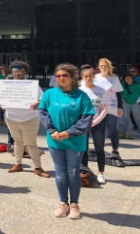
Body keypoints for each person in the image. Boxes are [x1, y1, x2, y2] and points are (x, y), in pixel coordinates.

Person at [39, 63, 94, 220]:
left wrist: (68, 133)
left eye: (65, 75)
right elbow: (43, 112)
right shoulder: (49, 94)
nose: (61, 78)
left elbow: (86, 119)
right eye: (58, 76)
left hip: (75, 141)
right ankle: (63, 203)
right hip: (55, 140)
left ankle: (75, 204)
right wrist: (52, 131)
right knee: (60, 172)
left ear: (72, 78)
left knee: (73, 172)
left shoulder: (82, 96)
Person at [0, 60, 49, 177]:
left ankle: (38, 167)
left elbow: (43, 99)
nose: (17, 73)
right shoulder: (7, 84)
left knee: (31, 143)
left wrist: (38, 103)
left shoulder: (32, 85)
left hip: (29, 119)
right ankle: (18, 164)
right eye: (14, 71)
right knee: (17, 142)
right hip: (11, 118)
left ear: (25, 72)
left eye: (20, 71)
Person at [79, 67, 110, 184]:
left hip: (98, 122)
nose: (88, 78)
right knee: (83, 148)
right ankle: (84, 171)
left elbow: (105, 107)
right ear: (82, 77)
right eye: (85, 76)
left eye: (90, 76)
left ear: (94, 77)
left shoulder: (101, 90)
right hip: (83, 122)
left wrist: (96, 121)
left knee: (99, 148)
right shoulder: (79, 90)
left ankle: (101, 173)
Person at [94, 58, 123, 157]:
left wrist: (120, 107)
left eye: (105, 66)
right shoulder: (95, 78)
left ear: (109, 67)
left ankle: (115, 150)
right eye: (101, 66)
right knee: (99, 129)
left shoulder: (114, 78)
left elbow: (119, 93)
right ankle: (100, 150)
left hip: (112, 107)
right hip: (99, 107)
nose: (103, 67)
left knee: (112, 129)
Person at [120, 74, 140, 139]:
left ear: (132, 79)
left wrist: (138, 101)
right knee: (125, 118)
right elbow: (120, 93)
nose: (128, 80)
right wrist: (123, 100)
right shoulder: (123, 85)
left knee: (137, 118)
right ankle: (124, 132)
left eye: (129, 79)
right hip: (126, 104)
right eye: (126, 79)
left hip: (135, 104)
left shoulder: (137, 86)